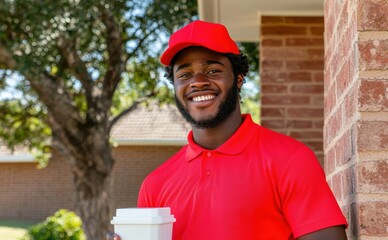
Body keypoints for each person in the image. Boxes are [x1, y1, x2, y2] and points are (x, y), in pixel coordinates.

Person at [117, 20, 348, 240]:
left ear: (238, 79)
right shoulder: (155, 185)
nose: (197, 81)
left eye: (213, 70)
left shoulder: (289, 160)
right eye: (184, 75)